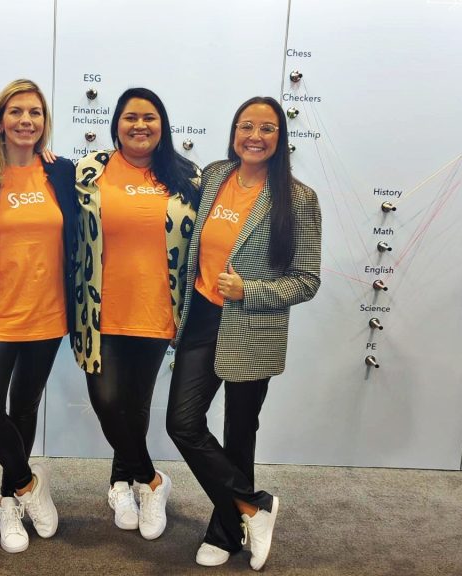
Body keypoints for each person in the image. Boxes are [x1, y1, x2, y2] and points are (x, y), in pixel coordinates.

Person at [166, 96, 322, 571]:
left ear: (280, 137)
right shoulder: (215, 175)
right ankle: (253, 507)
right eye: (246, 126)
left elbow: (307, 280)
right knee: (183, 423)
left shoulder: (298, 199)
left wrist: (248, 290)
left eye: (266, 128)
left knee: (239, 430)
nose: (255, 136)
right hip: (202, 317)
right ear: (234, 132)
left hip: (252, 326)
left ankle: (224, 531)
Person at [0, 79, 74, 554]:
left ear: (45, 122)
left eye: (35, 113)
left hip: (47, 313)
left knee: (24, 408)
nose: (26, 120)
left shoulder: (61, 172)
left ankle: (8, 503)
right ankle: (28, 484)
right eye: (16, 112)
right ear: (0, 122)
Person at [73, 87, 200, 540]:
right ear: (116, 124)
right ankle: (151, 479)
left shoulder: (187, 176)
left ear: (162, 125)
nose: (140, 125)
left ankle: (120, 484)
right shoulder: (90, 170)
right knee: (108, 401)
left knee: (135, 404)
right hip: (99, 309)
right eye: (130, 117)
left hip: (157, 309)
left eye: (149, 117)